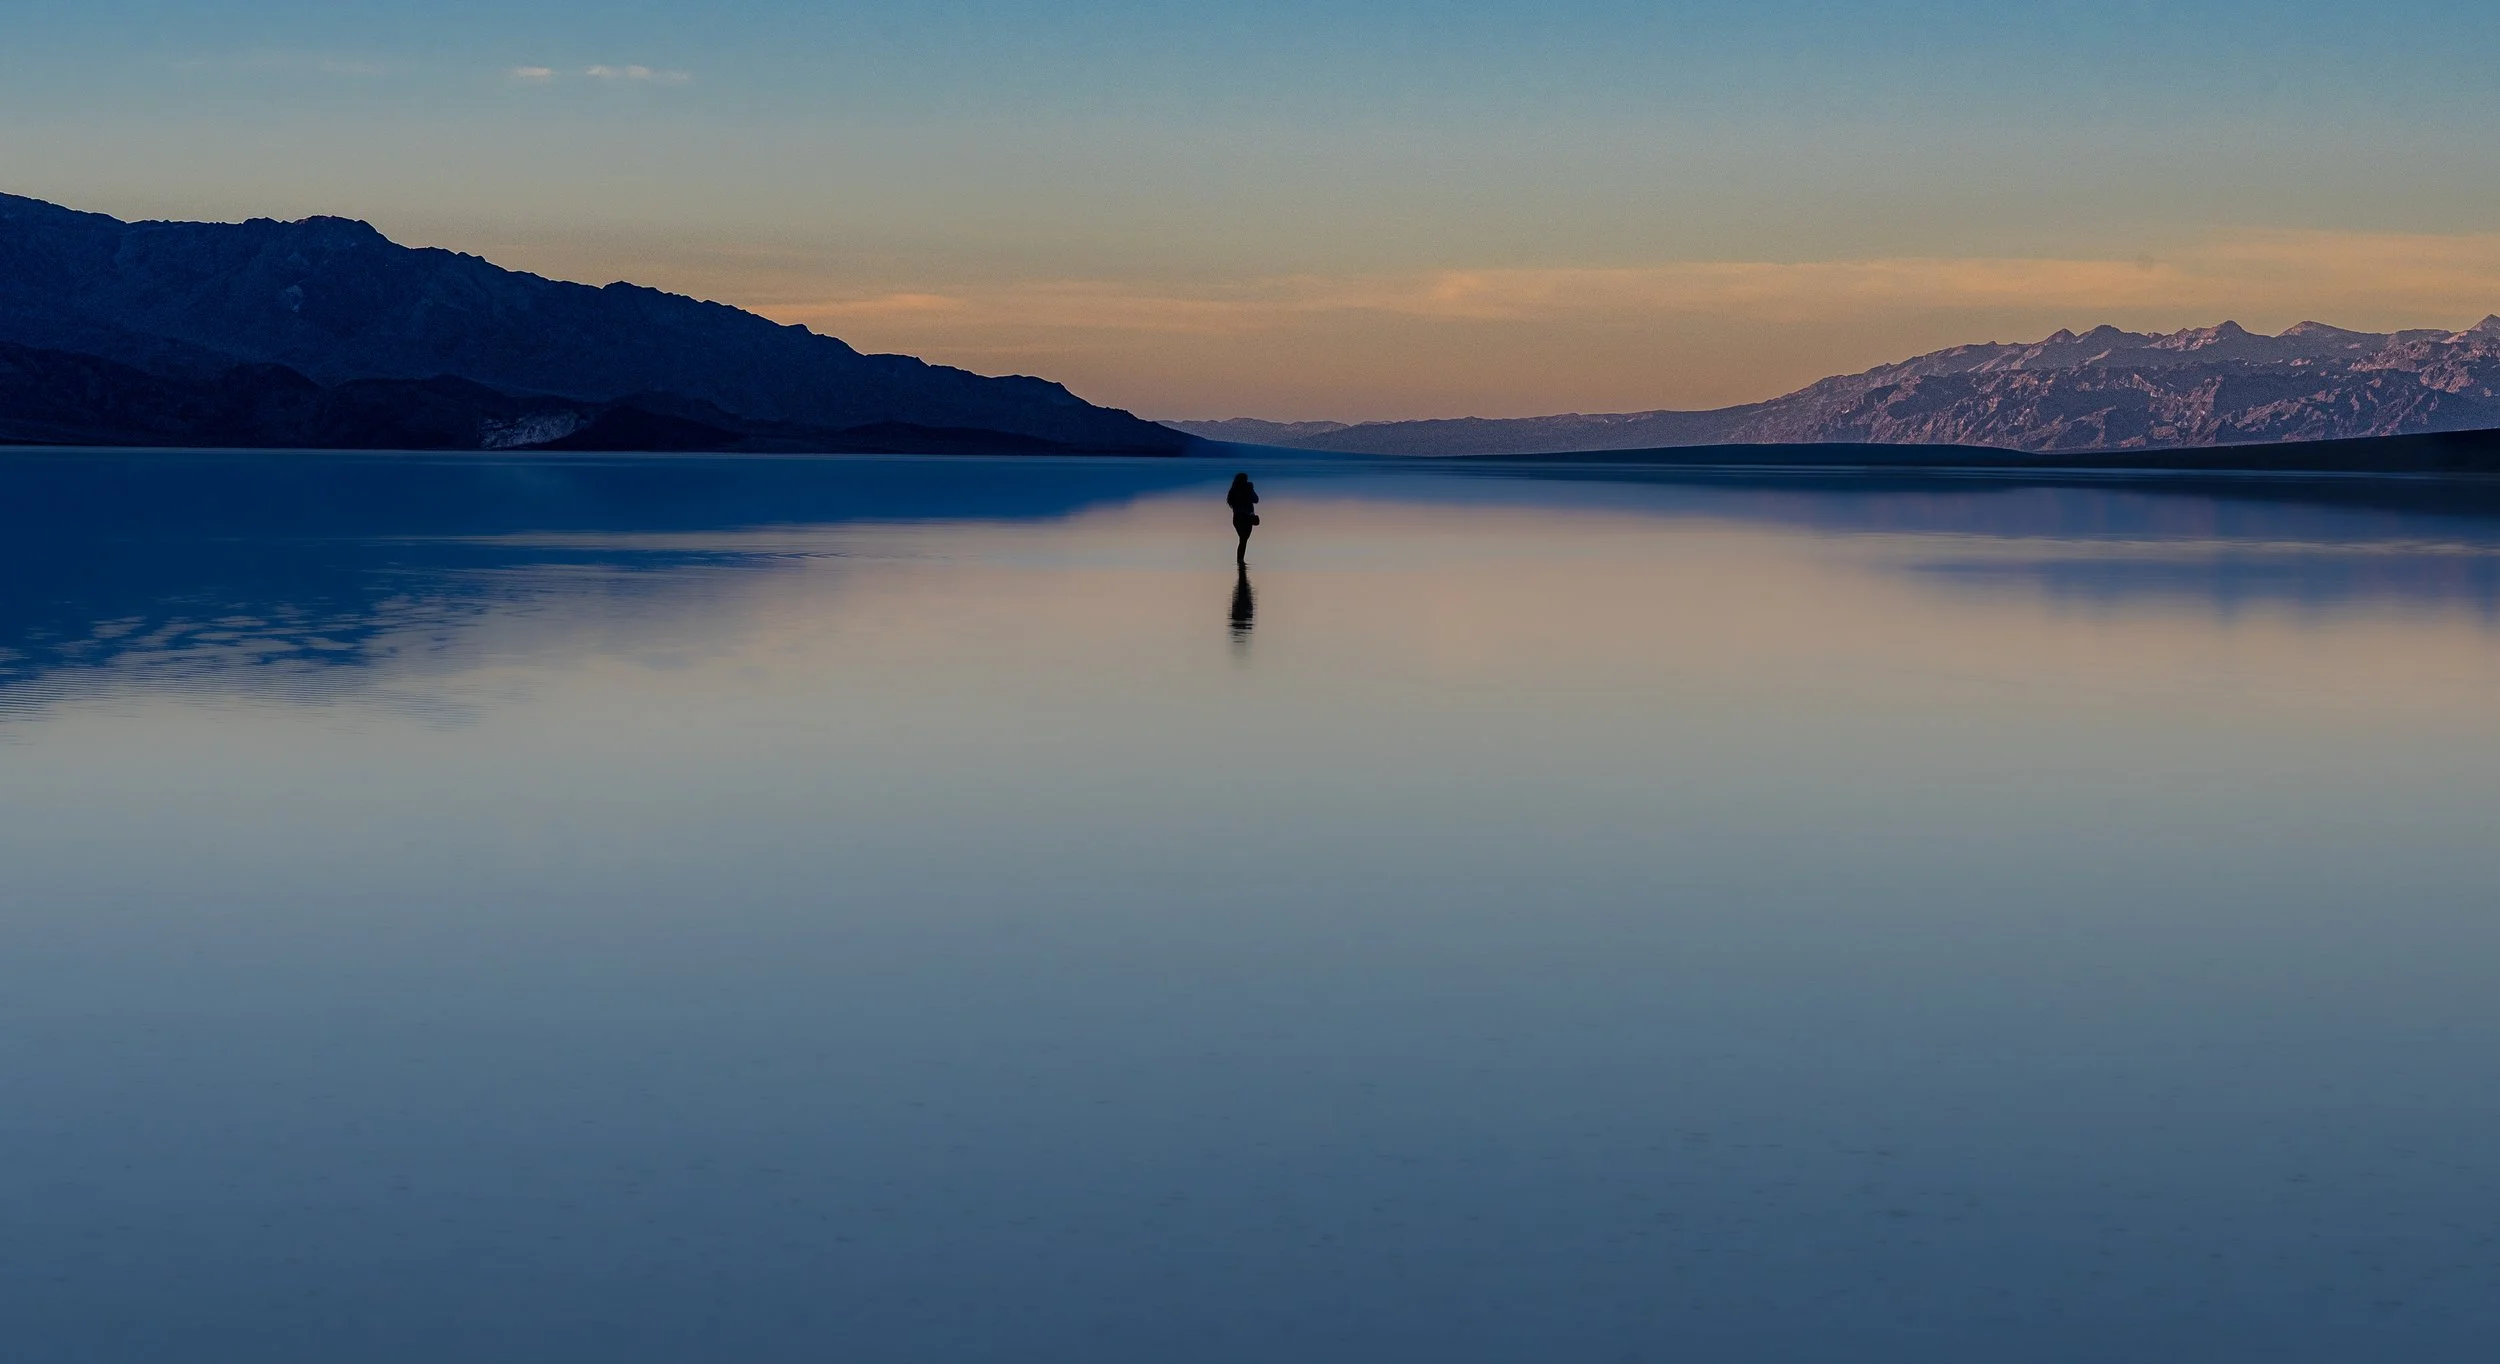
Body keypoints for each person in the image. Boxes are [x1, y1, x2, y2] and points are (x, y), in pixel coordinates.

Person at [1225, 472, 1260, 565]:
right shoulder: (1247, 489)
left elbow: (1231, 503)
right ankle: (1240, 560)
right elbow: (1256, 499)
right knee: (1243, 539)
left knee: (1243, 539)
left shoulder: (1233, 491)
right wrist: (1251, 489)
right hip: (1246, 517)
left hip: (1237, 518)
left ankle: (1240, 560)